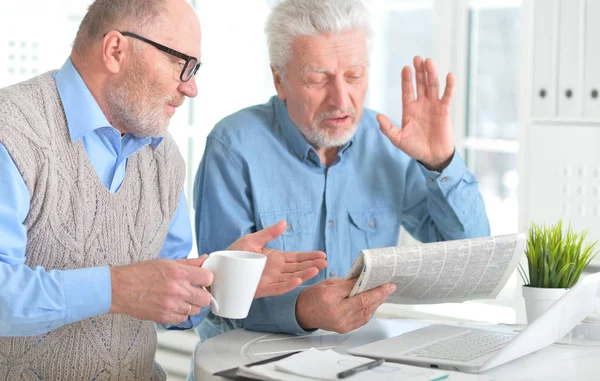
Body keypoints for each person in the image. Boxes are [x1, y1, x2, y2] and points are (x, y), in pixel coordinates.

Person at [0, 0, 327, 379]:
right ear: (115, 50)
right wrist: (118, 287)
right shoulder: (11, 132)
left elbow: (169, 304)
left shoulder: (163, 156)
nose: (191, 88)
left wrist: (221, 276)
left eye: (195, 69)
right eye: (180, 63)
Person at [192, 0, 490, 343]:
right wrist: (301, 308)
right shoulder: (233, 147)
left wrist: (440, 163)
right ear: (280, 80)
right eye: (318, 79)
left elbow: (471, 262)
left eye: (354, 76)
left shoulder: (389, 145)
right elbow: (216, 300)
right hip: (245, 363)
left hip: (355, 362)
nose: (341, 100)